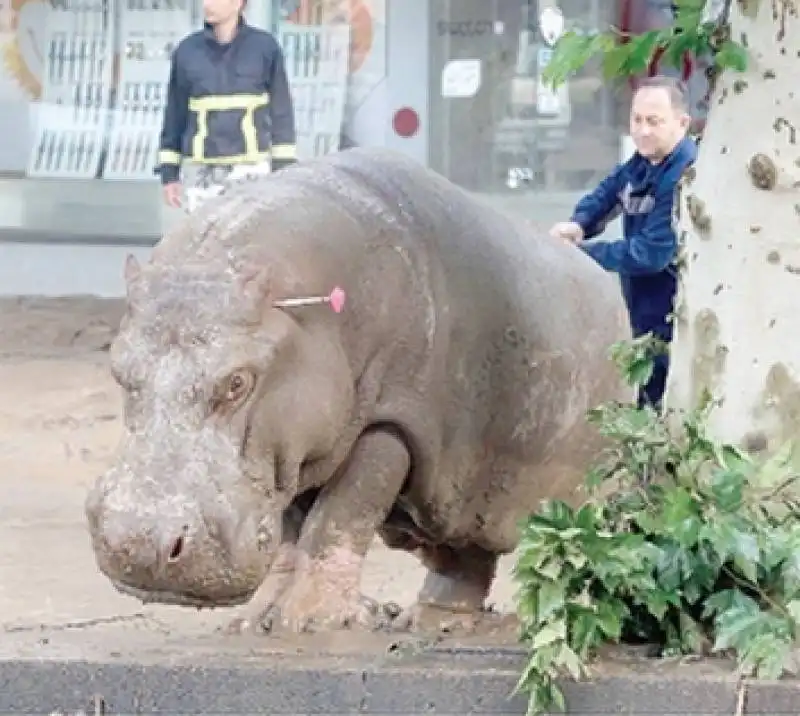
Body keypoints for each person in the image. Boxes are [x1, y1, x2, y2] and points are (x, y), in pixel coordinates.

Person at [549, 75, 697, 409]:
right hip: (642, 309)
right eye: (637, 120)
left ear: (682, 122)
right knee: (643, 395)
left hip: (673, 313)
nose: (643, 130)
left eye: (654, 122)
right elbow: (610, 191)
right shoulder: (644, 161)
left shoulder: (685, 173)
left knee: (663, 399)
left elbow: (652, 254)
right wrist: (579, 224)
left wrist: (580, 255)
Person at [155, 0, 297, 212]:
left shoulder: (265, 49)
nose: (207, 4)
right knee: (202, 242)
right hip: (202, 174)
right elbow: (175, 115)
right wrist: (169, 174)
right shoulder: (187, 52)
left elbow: (281, 113)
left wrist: (284, 171)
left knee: (251, 241)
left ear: (238, 3)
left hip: (252, 172)